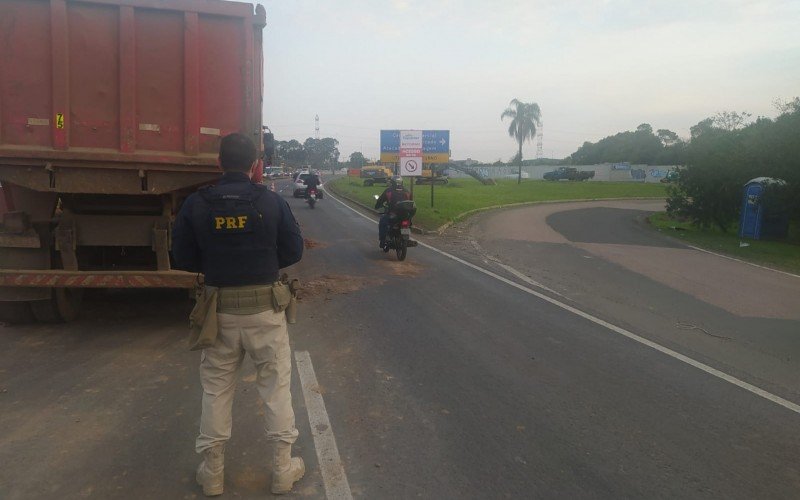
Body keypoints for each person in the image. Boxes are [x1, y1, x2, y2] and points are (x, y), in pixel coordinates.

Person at [172, 133, 305, 496]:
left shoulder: (196, 204)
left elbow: (181, 258)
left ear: (218, 163)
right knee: (276, 390)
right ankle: (282, 471)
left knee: (216, 390)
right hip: (266, 310)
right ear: (255, 165)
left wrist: (218, 264)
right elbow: (293, 251)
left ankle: (212, 474)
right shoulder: (272, 202)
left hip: (219, 312)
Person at [374, 175, 411, 250]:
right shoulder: (407, 191)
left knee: (383, 221)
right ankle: (406, 237)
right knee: (408, 223)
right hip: (405, 215)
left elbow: (380, 200)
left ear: (392, 182)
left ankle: (382, 241)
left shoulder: (388, 191)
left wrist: (377, 206)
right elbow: (411, 202)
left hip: (392, 214)